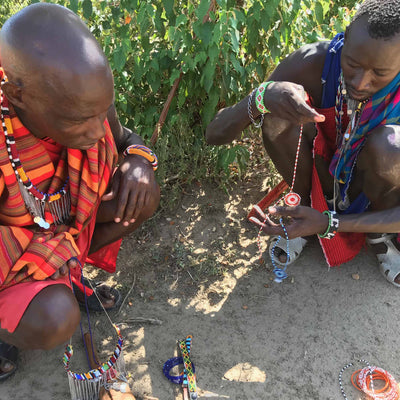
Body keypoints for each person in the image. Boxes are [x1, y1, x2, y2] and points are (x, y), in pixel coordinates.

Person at [0, 2, 160, 385]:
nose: (95, 132)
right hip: (11, 257)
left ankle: (68, 276)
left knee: (140, 196)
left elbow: (123, 139)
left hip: (62, 227)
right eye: (78, 120)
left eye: (100, 111)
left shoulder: (83, 95)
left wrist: (139, 160)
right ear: (16, 94)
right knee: (57, 318)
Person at [206, 0, 400, 284]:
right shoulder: (312, 63)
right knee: (277, 111)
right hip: (319, 174)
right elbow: (215, 134)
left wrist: (330, 223)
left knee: (391, 147)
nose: (360, 82)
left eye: (379, 74)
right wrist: (260, 97)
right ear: (345, 36)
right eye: (352, 64)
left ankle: (377, 233)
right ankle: (303, 210)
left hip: (377, 189)